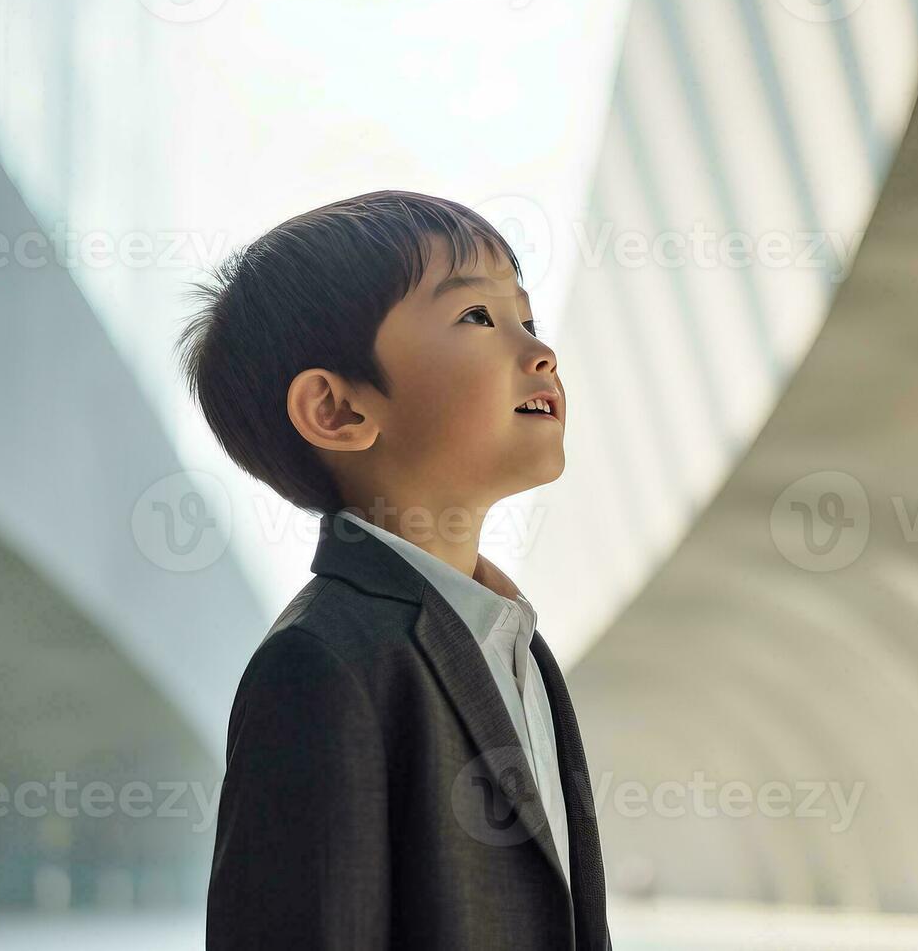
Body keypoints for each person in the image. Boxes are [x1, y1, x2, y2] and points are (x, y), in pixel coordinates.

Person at [181, 190, 609, 949]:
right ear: (337, 411)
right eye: (477, 317)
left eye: (528, 320)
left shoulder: (521, 651)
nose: (538, 352)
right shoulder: (320, 665)